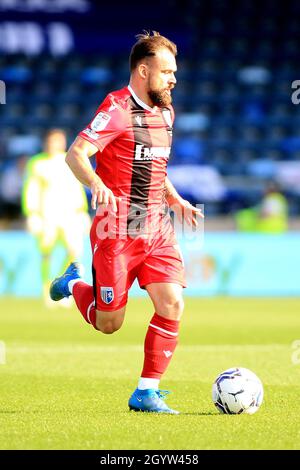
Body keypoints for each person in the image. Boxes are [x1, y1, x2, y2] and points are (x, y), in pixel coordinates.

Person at [50, 32, 203, 413]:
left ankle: (146, 391)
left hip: (157, 226)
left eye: (175, 72)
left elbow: (154, 166)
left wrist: (175, 199)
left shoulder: (166, 111)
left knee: (172, 303)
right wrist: (97, 183)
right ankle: (73, 282)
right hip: (116, 229)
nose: (173, 79)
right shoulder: (117, 108)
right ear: (143, 69)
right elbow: (76, 154)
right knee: (109, 323)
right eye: (166, 71)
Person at [22, 129, 90, 306]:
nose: (55, 144)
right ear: (46, 142)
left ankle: (63, 286)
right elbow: (30, 190)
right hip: (47, 216)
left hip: (70, 215)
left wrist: (82, 211)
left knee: (74, 252)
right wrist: (31, 214)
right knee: (47, 253)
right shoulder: (37, 163)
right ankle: (47, 289)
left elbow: (77, 187)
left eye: (58, 141)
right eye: (52, 141)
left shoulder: (69, 159)